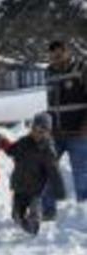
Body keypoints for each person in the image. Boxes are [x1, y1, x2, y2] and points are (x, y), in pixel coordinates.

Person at [0, 112, 66, 235]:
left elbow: (54, 171)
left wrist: (60, 190)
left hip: (36, 190)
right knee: (16, 216)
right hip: (19, 187)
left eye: (41, 131)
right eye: (35, 129)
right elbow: (12, 150)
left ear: (48, 133)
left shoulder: (47, 150)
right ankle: (25, 227)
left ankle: (34, 229)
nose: (37, 133)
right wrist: (1, 141)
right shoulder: (24, 142)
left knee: (34, 214)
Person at [42, 40, 87, 219]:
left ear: (67, 52)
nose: (56, 60)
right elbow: (52, 103)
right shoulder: (49, 73)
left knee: (82, 174)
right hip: (56, 133)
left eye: (59, 55)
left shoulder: (81, 68)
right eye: (52, 57)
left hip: (79, 134)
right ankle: (47, 212)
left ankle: (84, 214)